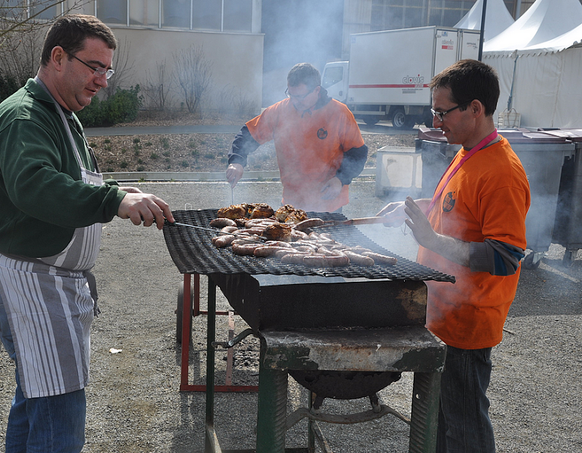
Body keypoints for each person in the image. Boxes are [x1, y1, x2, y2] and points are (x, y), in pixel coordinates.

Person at [0, 14, 174, 452]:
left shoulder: (61, 113)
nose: (102, 80)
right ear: (58, 57)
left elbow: (71, 180)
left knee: (35, 397)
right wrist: (112, 201)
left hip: (50, 283)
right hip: (30, 283)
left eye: (107, 70)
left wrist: (117, 190)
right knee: (60, 409)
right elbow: (35, 185)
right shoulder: (25, 117)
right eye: (94, 66)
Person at [377, 59, 530, 452]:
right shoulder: (469, 152)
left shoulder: (502, 172)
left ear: (475, 109)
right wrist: (415, 209)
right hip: (443, 312)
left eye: (442, 112)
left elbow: (505, 256)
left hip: (469, 321)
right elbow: (455, 208)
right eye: (434, 111)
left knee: (464, 428)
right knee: (440, 422)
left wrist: (433, 239)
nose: (436, 121)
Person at [226, 62, 368, 213]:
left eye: (299, 96)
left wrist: (340, 180)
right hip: (291, 203)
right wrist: (237, 161)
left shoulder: (339, 112)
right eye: (290, 95)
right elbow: (247, 134)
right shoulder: (279, 111)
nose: (294, 101)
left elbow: (357, 153)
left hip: (328, 204)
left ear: (317, 90)